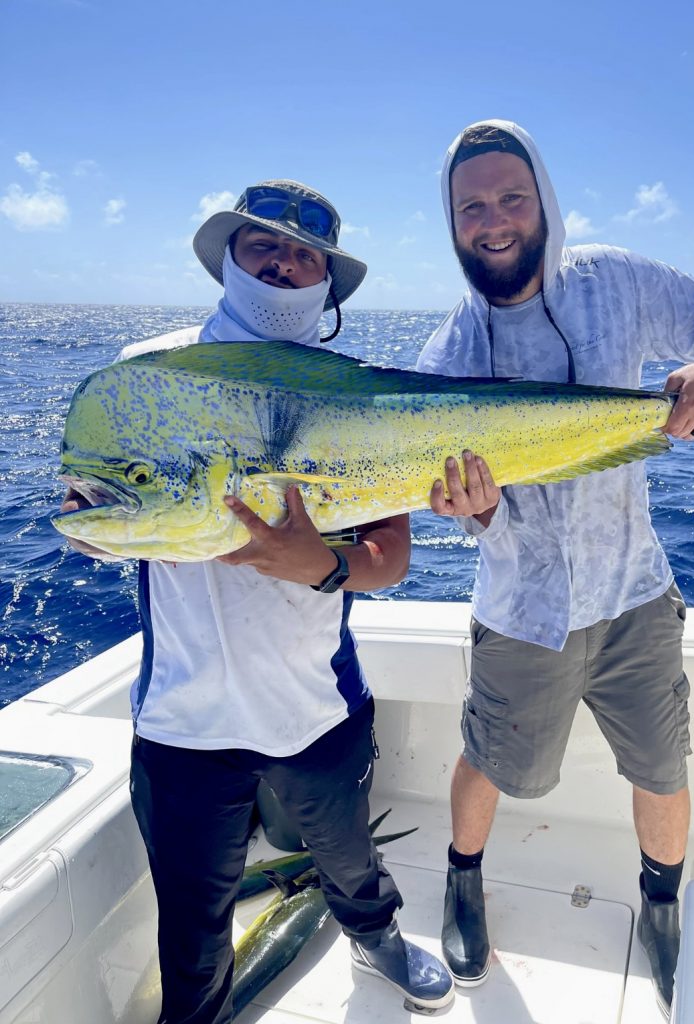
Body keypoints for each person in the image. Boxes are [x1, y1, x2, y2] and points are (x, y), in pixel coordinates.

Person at [62, 180, 454, 1023]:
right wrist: (89, 521)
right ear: (227, 260)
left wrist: (316, 563)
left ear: (327, 283)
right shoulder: (149, 374)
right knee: (191, 925)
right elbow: (91, 500)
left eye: (304, 253)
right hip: (181, 722)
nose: (283, 262)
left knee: (352, 864)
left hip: (315, 707)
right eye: (262, 245)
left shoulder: (358, 390)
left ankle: (376, 938)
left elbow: (388, 560)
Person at [416, 121, 694, 1018]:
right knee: (489, 758)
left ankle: (660, 903)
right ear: (450, 224)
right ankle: (460, 878)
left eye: (511, 198)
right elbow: (466, 512)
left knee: (662, 764)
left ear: (543, 202)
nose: (494, 221)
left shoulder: (612, 279)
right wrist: (470, 506)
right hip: (522, 610)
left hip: (636, 591)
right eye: (472, 207)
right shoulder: (447, 358)